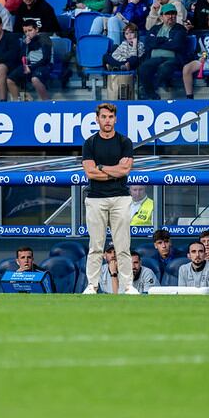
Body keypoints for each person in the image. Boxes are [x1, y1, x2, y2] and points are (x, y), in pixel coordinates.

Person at [81, 102, 136, 295]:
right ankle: (92, 286)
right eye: (103, 117)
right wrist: (113, 170)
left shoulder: (124, 142)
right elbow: (90, 173)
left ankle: (128, 286)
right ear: (97, 119)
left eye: (110, 117)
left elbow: (125, 170)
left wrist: (102, 167)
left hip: (120, 198)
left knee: (123, 246)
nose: (107, 120)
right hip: (96, 198)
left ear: (116, 119)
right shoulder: (89, 143)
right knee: (95, 246)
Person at [137, 3, 188, 99]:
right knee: (143, 68)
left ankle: (156, 86)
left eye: (173, 13)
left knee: (165, 68)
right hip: (154, 58)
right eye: (168, 14)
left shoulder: (180, 29)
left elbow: (176, 45)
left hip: (172, 58)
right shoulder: (155, 28)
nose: (171, 16)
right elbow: (149, 43)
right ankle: (151, 94)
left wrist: (158, 41)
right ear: (161, 16)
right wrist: (166, 40)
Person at [7, 19, 52, 101]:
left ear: (37, 29)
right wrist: (25, 45)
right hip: (29, 66)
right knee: (10, 80)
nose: (28, 33)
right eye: (25, 31)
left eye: (30, 30)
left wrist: (30, 68)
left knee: (35, 79)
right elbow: (22, 57)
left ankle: (46, 102)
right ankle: (17, 102)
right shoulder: (27, 41)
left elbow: (46, 59)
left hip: (44, 66)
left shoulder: (44, 38)